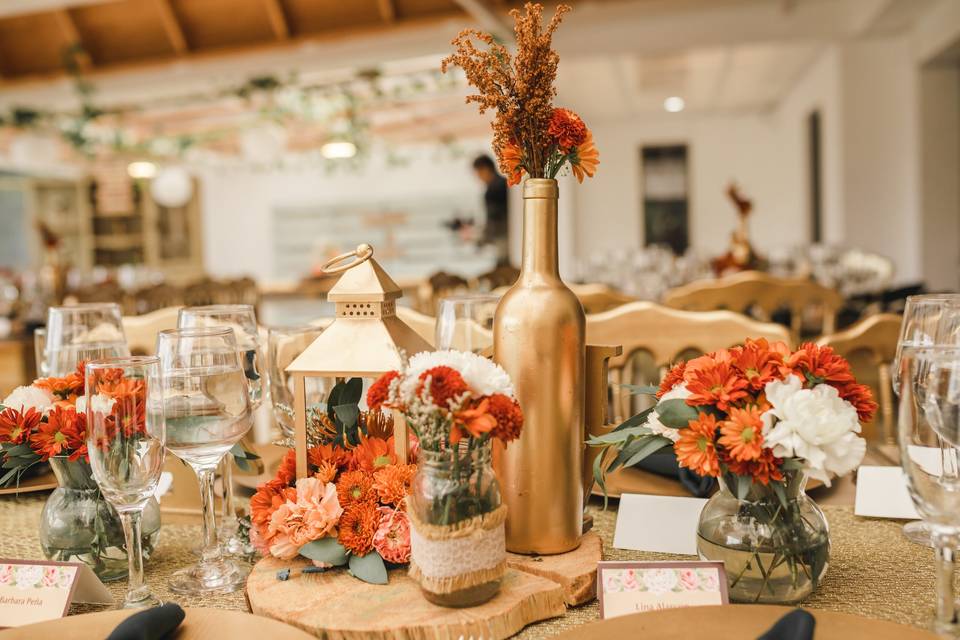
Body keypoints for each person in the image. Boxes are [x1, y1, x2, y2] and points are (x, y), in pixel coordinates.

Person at [471, 154, 510, 266]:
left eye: (478, 173)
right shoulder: (505, 183)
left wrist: (481, 241)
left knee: (502, 269)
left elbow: (493, 219)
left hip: (503, 237)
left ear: (485, 169)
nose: (478, 177)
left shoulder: (493, 190)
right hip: (512, 235)